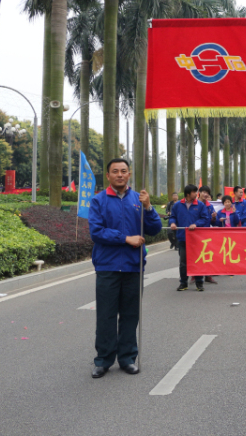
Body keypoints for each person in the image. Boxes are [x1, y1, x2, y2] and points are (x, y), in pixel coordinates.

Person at [88, 158, 162, 378]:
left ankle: (128, 358)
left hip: (133, 266)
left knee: (130, 315)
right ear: (108, 176)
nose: (119, 174)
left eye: (123, 171)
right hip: (107, 267)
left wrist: (149, 208)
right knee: (106, 316)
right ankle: (103, 360)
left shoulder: (139, 200)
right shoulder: (98, 201)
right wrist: (125, 238)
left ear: (129, 174)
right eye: (115, 171)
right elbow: (96, 232)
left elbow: (155, 229)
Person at [169, 184, 211, 292]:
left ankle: (199, 283)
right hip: (182, 238)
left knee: (197, 260)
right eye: (194, 192)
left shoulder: (200, 205)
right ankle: (183, 283)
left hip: (196, 238)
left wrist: (196, 224)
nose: (196, 194)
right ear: (188, 194)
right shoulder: (178, 205)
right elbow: (172, 217)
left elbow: (205, 218)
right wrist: (172, 223)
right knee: (183, 262)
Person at [197, 186, 218, 284]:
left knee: (208, 254)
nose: (205, 195)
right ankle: (195, 274)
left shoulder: (210, 206)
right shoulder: (194, 204)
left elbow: (213, 222)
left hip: (206, 233)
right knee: (196, 254)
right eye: (204, 192)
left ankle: (208, 275)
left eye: (207, 193)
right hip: (195, 233)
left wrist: (214, 218)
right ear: (199, 192)